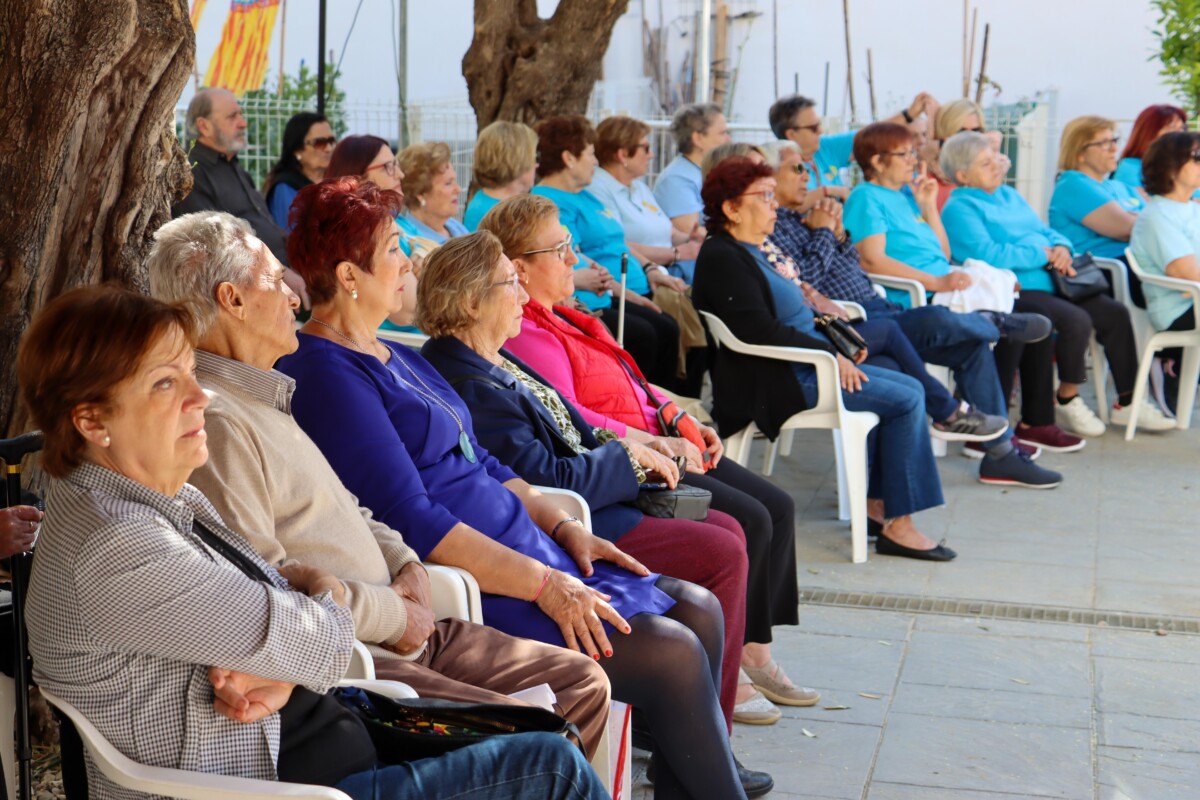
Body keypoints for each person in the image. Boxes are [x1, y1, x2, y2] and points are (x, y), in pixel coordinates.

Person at [17, 285, 607, 800]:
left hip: (322, 740)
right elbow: (312, 632)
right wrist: (314, 606)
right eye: (165, 384)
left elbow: (284, 610)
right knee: (552, 765)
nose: (201, 398)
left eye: (191, 375)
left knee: (548, 730)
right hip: (273, 788)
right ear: (92, 421)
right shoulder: (119, 546)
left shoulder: (145, 499)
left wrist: (285, 656)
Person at [276, 176, 756, 800]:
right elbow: (412, 518)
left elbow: (492, 467)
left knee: (699, 607)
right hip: (488, 583)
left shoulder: (399, 353)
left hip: (532, 547)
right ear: (348, 275)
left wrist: (566, 528)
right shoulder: (327, 372)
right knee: (673, 651)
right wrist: (546, 585)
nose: (408, 263)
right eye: (395, 249)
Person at [146, 210, 612, 757]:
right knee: (543, 739)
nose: (294, 298)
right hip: (365, 655)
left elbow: (356, 508)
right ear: (233, 300)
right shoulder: (220, 425)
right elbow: (269, 588)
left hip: (412, 617)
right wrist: (396, 612)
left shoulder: (266, 395)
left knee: (581, 684)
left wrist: (408, 567)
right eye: (276, 282)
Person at [478, 195, 822, 729]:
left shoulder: (565, 317)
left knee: (768, 509)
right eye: (562, 248)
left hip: (644, 444)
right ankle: (720, 696)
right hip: (616, 471)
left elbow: (624, 387)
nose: (575, 259)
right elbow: (573, 430)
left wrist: (672, 413)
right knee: (741, 528)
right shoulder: (527, 335)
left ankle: (736, 670)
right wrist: (649, 444)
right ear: (517, 269)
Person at [417, 232, 759, 735]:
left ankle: (694, 725)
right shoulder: (466, 376)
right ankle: (698, 728)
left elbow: (572, 422)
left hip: (580, 509)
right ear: (471, 302)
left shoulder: (492, 356)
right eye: (512, 283)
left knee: (734, 529)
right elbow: (542, 476)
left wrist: (645, 443)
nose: (525, 296)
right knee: (723, 552)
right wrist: (630, 460)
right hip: (576, 520)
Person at [759, 140, 1062, 488]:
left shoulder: (809, 217)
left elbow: (854, 265)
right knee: (941, 321)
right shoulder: (777, 228)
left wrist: (838, 233)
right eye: (797, 168)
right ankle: (990, 322)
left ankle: (1001, 456)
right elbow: (806, 280)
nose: (807, 176)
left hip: (880, 306)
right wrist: (826, 233)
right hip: (852, 323)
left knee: (971, 346)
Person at [694, 157, 955, 561]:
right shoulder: (723, 257)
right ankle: (899, 526)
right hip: (783, 378)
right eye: (763, 196)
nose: (774, 203)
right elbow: (759, 332)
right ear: (731, 208)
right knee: (908, 397)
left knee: (892, 372)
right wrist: (830, 353)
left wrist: (836, 342)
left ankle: (876, 506)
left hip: (805, 362)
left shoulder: (754, 248)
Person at [845, 122, 1087, 454]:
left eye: (913, 152)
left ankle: (1002, 450)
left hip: (946, 288)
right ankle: (994, 324)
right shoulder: (865, 197)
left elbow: (942, 254)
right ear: (876, 161)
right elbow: (870, 261)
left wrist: (929, 207)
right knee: (1017, 321)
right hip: (915, 298)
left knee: (997, 335)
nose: (914, 160)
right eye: (904, 154)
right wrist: (935, 282)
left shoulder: (906, 197)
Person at [941, 131, 1175, 433]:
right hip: (1020, 286)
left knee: (1114, 313)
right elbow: (986, 253)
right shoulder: (960, 208)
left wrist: (1063, 249)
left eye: (995, 160)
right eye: (986, 164)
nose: (998, 167)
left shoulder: (1009, 195)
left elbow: (1045, 230)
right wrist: (1041, 254)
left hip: (1057, 276)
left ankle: (1128, 402)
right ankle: (1068, 397)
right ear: (963, 175)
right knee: (1074, 320)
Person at [532, 116, 687, 392]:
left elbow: (618, 243)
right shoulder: (550, 201)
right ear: (569, 158)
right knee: (645, 336)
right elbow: (575, 254)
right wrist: (626, 293)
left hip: (619, 290)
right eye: (590, 154)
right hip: (590, 298)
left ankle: (667, 410)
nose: (595, 161)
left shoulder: (587, 195)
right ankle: (641, 410)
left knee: (668, 329)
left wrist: (648, 271)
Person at [173, 88, 307, 306]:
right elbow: (215, 245)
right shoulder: (193, 173)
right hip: (254, 292)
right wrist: (281, 274)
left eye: (241, 114)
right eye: (232, 116)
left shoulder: (233, 166)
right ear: (203, 126)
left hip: (286, 276)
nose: (243, 123)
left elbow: (264, 224)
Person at [1130, 130, 1200, 413]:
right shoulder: (1158, 216)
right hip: (1178, 309)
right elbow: (1188, 272)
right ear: (1171, 166)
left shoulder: (1191, 208)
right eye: (1197, 157)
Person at [768, 91, 936, 206]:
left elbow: (871, 135)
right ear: (791, 134)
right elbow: (789, 205)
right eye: (813, 128)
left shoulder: (823, 148)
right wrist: (828, 191)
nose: (821, 131)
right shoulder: (780, 165)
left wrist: (910, 114)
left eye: (820, 125)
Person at [588, 116, 704, 281]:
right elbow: (615, 242)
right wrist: (675, 254)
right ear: (623, 155)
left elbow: (670, 233)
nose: (651, 155)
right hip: (640, 277)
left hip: (667, 270)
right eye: (646, 148)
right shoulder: (597, 188)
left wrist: (689, 239)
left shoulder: (639, 187)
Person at [326, 134, 422, 330]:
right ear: (357, 177)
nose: (400, 174)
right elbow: (413, 308)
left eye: (396, 164)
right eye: (388, 167)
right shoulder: (363, 236)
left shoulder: (399, 221)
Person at [1049, 116, 1148, 306]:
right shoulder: (1073, 184)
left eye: (1114, 140)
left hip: (1141, 263)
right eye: (1103, 143)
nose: (1114, 149)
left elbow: (1156, 222)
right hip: (1109, 271)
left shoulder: (1119, 186)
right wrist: (1140, 220)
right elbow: (1127, 229)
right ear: (1080, 153)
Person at [651, 104, 731, 281]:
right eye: (722, 133)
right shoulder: (677, 179)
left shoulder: (699, 172)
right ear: (698, 138)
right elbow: (692, 235)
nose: (728, 139)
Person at [263, 112, 335, 231]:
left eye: (331, 141)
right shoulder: (285, 187)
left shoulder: (336, 181)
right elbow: (291, 236)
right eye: (319, 143)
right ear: (297, 150)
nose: (328, 148)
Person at [464, 121, 539, 230]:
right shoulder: (489, 213)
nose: (536, 164)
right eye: (534, 157)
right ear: (517, 160)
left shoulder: (491, 204)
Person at [397, 141, 469, 244]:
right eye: (448, 183)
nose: (458, 189)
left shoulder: (455, 227)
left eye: (454, 181)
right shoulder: (409, 242)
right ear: (420, 193)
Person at [1115, 104, 1190, 197]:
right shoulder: (1131, 167)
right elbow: (1133, 206)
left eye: (1183, 128)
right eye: (1172, 128)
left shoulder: (1186, 166)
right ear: (1149, 133)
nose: (1181, 134)